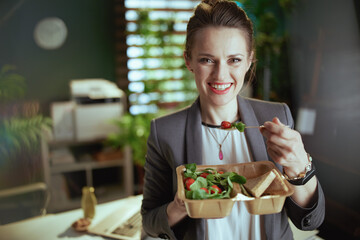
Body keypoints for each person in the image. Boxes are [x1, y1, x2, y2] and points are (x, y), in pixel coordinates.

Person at [141, 0, 325, 239]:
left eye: (234, 60)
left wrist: (300, 168)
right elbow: (149, 222)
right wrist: (181, 204)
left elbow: (311, 220)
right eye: (207, 59)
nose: (220, 75)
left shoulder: (277, 117)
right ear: (188, 61)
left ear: (249, 60)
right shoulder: (164, 131)